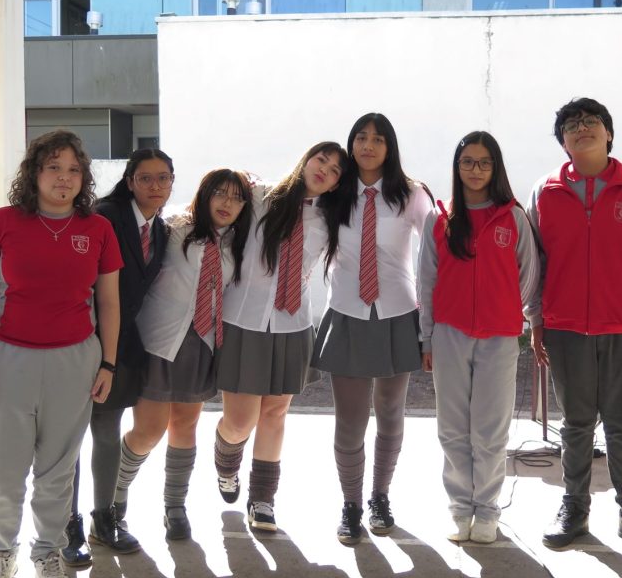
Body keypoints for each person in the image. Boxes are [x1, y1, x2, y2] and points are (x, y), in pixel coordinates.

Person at [0, 130, 121, 578]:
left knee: (57, 470)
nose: (64, 178)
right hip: (7, 361)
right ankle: (1, 554)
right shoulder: (2, 223)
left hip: (76, 362)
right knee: (3, 470)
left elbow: (109, 304)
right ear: (34, 173)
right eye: (53, 167)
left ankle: (48, 553)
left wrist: (108, 363)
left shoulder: (98, 229)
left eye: (73, 169)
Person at [526, 97, 622, 559]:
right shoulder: (545, 191)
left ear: (608, 133)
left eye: (591, 121)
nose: (582, 128)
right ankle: (574, 507)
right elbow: (534, 264)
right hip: (565, 327)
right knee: (575, 425)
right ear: (563, 142)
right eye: (571, 124)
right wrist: (536, 319)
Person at [212, 142, 348, 532]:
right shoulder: (259, 197)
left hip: (292, 324)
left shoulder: (331, 219)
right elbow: (218, 202)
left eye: (335, 170)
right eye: (321, 160)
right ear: (306, 159)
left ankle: (263, 500)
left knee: (274, 413)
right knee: (240, 422)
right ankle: (226, 463)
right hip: (244, 320)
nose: (324, 170)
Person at [313, 113, 433, 545]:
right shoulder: (334, 193)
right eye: (361, 137)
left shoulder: (411, 194)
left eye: (378, 139)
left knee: (390, 410)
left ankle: (380, 496)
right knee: (349, 419)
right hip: (347, 312)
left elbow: (438, 242)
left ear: (390, 147)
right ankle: (351, 504)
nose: (368, 145)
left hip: (397, 312)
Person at [117, 169, 252, 541]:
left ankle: (175, 507)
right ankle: (115, 495)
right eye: (220, 193)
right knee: (149, 430)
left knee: (185, 426)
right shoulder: (173, 226)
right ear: (204, 194)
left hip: (200, 343)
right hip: (159, 341)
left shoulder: (237, 243)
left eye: (237, 198)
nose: (227, 203)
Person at [417, 131, 539, 544]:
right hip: (449, 335)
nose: (476, 169)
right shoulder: (440, 219)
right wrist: (427, 336)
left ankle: (486, 511)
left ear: (496, 168)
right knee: (452, 428)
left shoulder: (513, 217)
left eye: (484, 162)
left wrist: (506, 311)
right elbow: (426, 280)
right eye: (467, 161)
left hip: (499, 338)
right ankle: (459, 509)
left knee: (490, 431)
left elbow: (527, 277)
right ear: (457, 167)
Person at [62, 149, 174, 564]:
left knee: (107, 432)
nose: (155, 186)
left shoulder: (160, 229)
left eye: (163, 178)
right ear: (130, 182)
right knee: (69, 439)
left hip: (122, 347)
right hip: (79, 342)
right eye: (145, 178)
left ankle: (104, 519)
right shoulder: (103, 217)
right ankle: (67, 525)